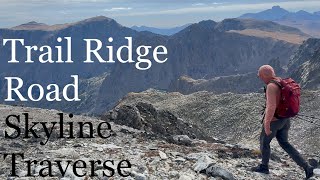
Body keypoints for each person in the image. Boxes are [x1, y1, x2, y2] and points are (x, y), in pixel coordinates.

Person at [252, 65, 314, 179]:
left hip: (274, 121)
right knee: (285, 144)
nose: (259, 77)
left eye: (260, 75)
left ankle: (264, 167)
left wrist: (266, 124)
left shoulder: (271, 86)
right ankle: (307, 167)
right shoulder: (280, 81)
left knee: (264, 143)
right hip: (285, 120)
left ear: (265, 75)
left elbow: (271, 107)